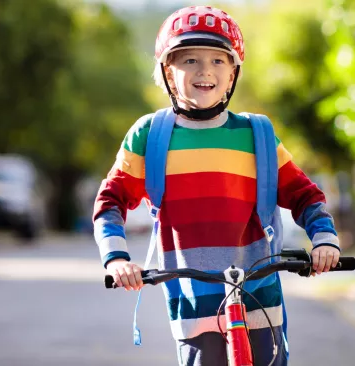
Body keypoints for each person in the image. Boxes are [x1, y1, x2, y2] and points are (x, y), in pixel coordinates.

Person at [93, 5, 340, 366]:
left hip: (259, 297)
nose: (205, 69)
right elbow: (111, 200)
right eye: (189, 60)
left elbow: (306, 197)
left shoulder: (257, 135)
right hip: (193, 303)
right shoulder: (150, 136)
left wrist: (324, 240)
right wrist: (117, 259)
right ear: (167, 71)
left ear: (233, 73)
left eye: (218, 61)